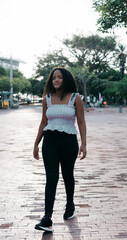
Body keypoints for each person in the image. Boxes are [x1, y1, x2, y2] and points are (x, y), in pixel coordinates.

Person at [33, 66, 87, 232]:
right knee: (51, 177)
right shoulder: (47, 98)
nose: (56, 80)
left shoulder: (75, 98)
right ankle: (47, 218)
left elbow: (81, 121)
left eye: (60, 77)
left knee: (67, 175)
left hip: (69, 141)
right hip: (49, 141)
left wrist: (84, 143)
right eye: (54, 77)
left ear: (66, 80)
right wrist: (36, 143)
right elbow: (44, 122)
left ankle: (70, 205)